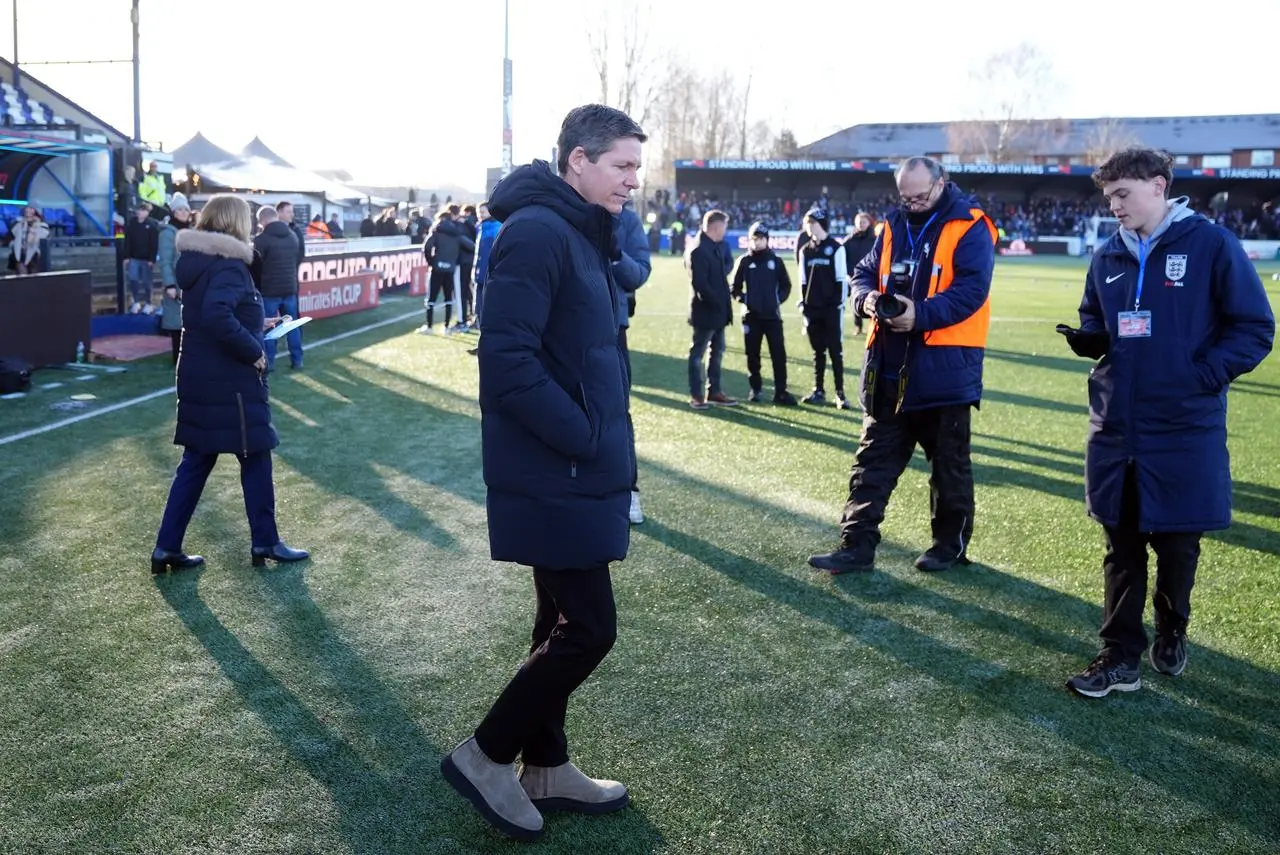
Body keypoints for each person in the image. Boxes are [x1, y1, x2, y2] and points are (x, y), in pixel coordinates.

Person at [439, 104, 643, 843]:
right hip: (557, 466)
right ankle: (487, 753)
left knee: (556, 620)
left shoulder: (582, 231)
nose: (632, 180)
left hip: (575, 467)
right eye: (621, 165)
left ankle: (547, 764)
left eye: (635, 167)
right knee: (589, 628)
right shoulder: (537, 231)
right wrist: (584, 434)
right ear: (577, 161)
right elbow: (507, 362)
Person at [1060, 148, 1274, 698]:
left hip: (1183, 425)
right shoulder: (1107, 253)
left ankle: (1173, 629)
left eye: (1122, 194)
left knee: (1178, 546)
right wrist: (1093, 339)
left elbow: (1254, 327)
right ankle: (1119, 654)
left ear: (1158, 186)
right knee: (1122, 545)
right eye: (1108, 197)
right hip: (1118, 425)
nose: (1114, 206)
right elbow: (1096, 316)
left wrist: (1201, 376)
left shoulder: (1211, 244)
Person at [808, 156, 996, 575]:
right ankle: (855, 546)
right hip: (889, 367)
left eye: (920, 196)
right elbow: (863, 272)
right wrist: (866, 300)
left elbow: (971, 291)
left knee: (949, 470)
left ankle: (948, 546)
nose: (912, 204)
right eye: (905, 197)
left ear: (942, 184)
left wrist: (921, 314)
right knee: (872, 463)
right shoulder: (891, 225)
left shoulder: (971, 226)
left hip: (943, 372)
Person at [150, 194, 309, 575]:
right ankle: (265, 541)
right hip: (230, 380)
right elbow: (218, 316)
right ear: (233, 222)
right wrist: (253, 348)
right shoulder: (229, 264)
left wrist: (260, 324)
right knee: (256, 455)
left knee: (196, 461)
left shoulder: (200, 262)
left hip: (201, 374)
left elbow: (215, 314)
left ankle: (166, 547)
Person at [612, 201, 652, 523]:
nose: (629, 181)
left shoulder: (626, 220)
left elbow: (639, 272)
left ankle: (629, 493)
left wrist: (614, 253)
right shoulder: (565, 211)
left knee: (618, 412)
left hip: (612, 327)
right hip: (566, 326)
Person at [731, 221, 797, 405]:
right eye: (754, 239)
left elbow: (786, 286)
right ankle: (756, 389)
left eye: (760, 239)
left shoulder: (776, 262)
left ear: (767, 240)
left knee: (778, 355)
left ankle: (781, 392)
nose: (757, 242)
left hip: (772, 318)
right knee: (752, 355)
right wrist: (744, 299)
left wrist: (777, 300)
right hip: (751, 317)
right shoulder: (744, 261)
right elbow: (734, 288)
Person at [796, 208, 851, 408]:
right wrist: (805, 305)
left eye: (812, 223)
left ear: (822, 224)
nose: (808, 227)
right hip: (813, 310)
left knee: (835, 352)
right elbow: (802, 281)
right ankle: (818, 390)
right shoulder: (805, 251)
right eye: (807, 223)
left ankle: (840, 393)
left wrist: (837, 305)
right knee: (817, 352)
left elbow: (841, 280)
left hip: (831, 310)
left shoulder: (836, 248)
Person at [687, 209, 737, 409]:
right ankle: (696, 395)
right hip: (706, 312)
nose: (725, 231)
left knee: (717, 352)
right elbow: (700, 284)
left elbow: (723, 271)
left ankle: (714, 391)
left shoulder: (717, 247)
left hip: (719, 312)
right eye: (724, 227)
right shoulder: (699, 251)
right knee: (698, 353)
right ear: (716, 227)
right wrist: (717, 301)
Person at [253, 205, 304, 371]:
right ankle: (297, 360)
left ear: (263, 220)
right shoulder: (293, 236)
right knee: (292, 326)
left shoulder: (261, 240)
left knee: (269, 326)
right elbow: (297, 259)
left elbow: (256, 267)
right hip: (289, 287)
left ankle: (269, 362)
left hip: (269, 290)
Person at [418, 209, 474, 333]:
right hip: (450, 269)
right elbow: (471, 246)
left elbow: (426, 247)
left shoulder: (436, 231)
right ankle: (446, 327)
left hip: (437, 268)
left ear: (441, 219)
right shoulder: (457, 233)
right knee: (448, 298)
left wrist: (431, 262)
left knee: (431, 298)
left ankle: (429, 326)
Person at [157, 193, 194, 364]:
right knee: (177, 324)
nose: (183, 212)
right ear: (173, 212)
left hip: (191, 283)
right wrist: (169, 284)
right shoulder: (167, 233)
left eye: (186, 209)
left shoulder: (191, 232)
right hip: (176, 284)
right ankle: (177, 359)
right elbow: (165, 261)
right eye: (179, 209)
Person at [841, 212, 877, 336]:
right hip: (854, 277)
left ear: (869, 223)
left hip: (873, 275)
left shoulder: (875, 240)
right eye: (858, 222)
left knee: (874, 300)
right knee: (856, 301)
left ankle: (874, 325)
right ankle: (858, 326)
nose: (860, 224)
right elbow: (841, 257)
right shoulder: (849, 240)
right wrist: (847, 273)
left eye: (863, 222)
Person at [123, 203, 159, 314]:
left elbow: (154, 244)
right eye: (139, 210)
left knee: (147, 282)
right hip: (134, 258)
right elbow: (127, 241)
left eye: (143, 210)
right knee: (133, 280)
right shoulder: (131, 224)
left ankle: (148, 303)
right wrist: (127, 256)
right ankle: (136, 302)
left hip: (146, 259)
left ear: (147, 212)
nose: (140, 212)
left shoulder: (152, 225)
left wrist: (151, 259)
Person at [9, 206, 48, 275]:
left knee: (33, 276)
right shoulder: (19, 223)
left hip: (34, 254)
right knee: (22, 275)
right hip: (20, 254)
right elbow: (14, 233)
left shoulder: (42, 226)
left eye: (31, 209)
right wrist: (23, 224)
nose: (28, 211)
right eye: (27, 209)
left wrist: (34, 227)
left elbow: (32, 241)